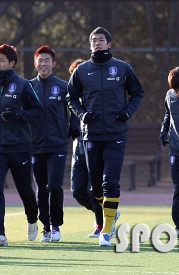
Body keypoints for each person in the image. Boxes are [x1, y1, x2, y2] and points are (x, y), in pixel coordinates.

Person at [67, 27, 144, 246]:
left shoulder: (122, 68)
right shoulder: (81, 71)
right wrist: (82, 114)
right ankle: (108, 216)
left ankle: (106, 232)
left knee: (110, 183)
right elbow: (70, 97)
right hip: (91, 136)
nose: (97, 43)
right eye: (94, 40)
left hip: (116, 134)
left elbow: (138, 92)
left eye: (101, 40)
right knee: (95, 189)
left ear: (109, 44)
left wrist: (127, 112)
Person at [0, 44, 43, 246]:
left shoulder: (23, 85)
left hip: (20, 146)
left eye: (0, 60)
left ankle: (32, 218)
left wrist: (19, 115)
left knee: (25, 189)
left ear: (11, 63)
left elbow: (37, 111)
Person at [29, 46, 68, 242]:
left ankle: (56, 226)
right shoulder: (28, 87)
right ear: (35, 63)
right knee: (41, 188)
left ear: (53, 63)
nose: (43, 64)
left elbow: (74, 110)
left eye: (47, 60)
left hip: (57, 145)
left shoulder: (62, 86)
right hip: (35, 146)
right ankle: (45, 226)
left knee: (54, 185)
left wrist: (72, 129)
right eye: (40, 60)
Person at [68, 58, 104, 238]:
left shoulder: (96, 98)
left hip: (96, 149)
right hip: (78, 153)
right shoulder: (72, 100)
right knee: (78, 192)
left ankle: (101, 224)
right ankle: (107, 212)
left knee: (95, 189)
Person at [159, 67, 179, 237]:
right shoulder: (169, 95)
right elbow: (168, 115)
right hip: (176, 151)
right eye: (176, 90)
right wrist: (164, 131)